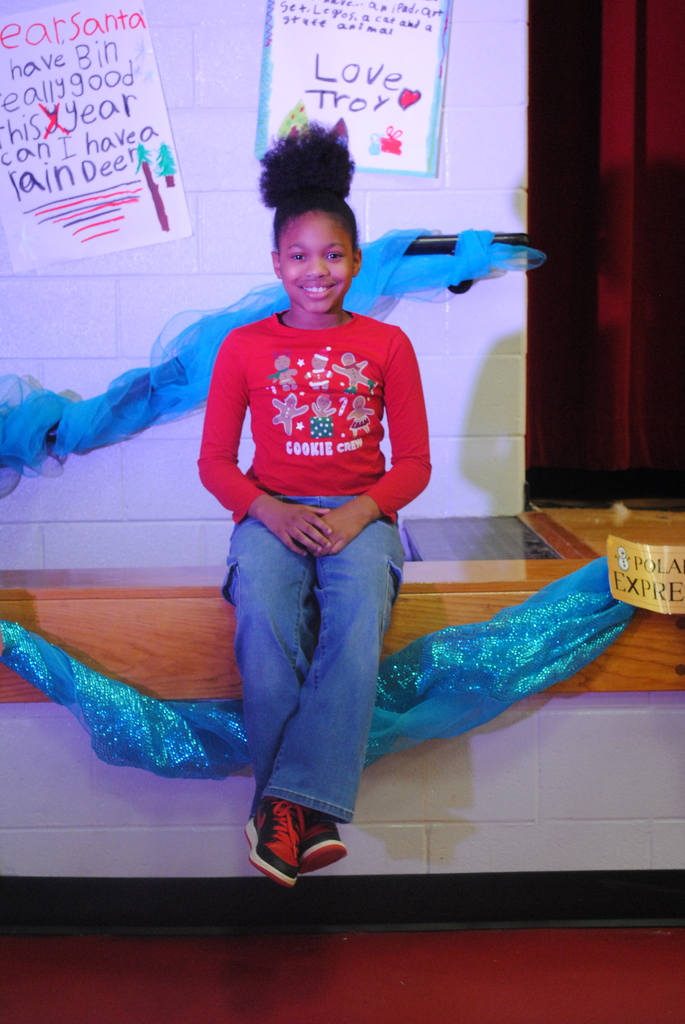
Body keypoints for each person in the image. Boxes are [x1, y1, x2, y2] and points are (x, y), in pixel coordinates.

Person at [198, 124, 431, 886]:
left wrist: (361, 514)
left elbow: (415, 465)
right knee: (263, 609)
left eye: (332, 255)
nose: (316, 271)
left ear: (357, 262)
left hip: (360, 513)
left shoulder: (387, 346)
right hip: (271, 512)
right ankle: (309, 813)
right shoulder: (242, 348)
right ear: (275, 263)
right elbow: (214, 464)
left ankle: (280, 811)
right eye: (299, 256)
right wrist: (269, 512)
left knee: (358, 605)